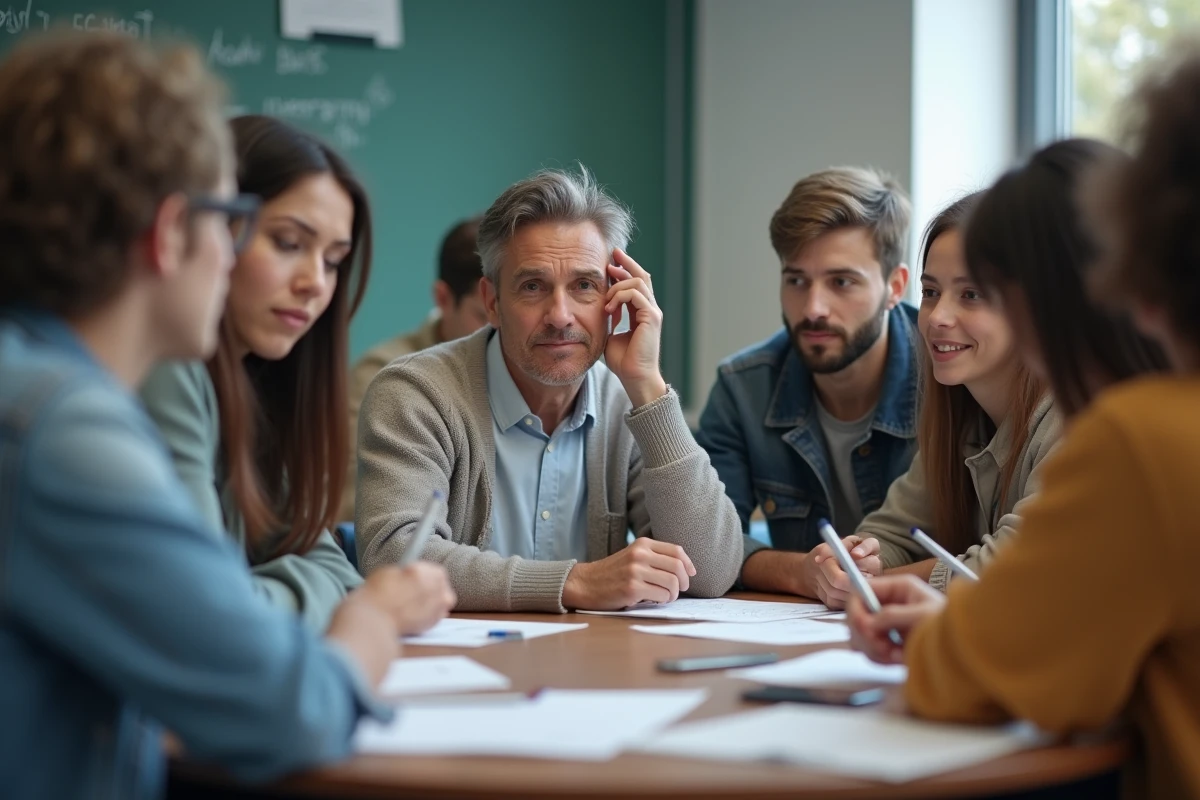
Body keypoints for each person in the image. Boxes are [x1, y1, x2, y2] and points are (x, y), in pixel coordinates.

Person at [0, 31, 453, 800]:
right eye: (233, 220)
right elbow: (291, 709)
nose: (231, 252)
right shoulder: (61, 431)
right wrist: (370, 618)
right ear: (169, 230)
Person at [847, 128, 1186, 798]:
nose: (943, 317)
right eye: (938, 293)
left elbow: (998, 677)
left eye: (985, 290)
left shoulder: (1137, 435)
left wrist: (947, 635)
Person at [356, 166, 744, 611]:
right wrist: (574, 582)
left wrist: (649, 388)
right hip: (459, 670)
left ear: (615, 299)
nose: (560, 315)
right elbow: (394, 557)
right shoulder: (413, 394)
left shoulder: (628, 403)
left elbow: (712, 572)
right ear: (492, 303)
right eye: (533, 286)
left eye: (584, 286)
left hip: (595, 666)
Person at [140, 115, 416, 632]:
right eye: (289, 243)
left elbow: (332, 566)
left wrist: (304, 590)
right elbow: (208, 615)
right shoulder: (168, 371)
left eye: (334, 261)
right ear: (212, 232)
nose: (315, 283)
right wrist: (336, 599)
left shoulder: (262, 382)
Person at [694, 167, 919, 604]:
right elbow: (709, 545)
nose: (813, 308)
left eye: (841, 282)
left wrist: (878, 577)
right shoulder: (744, 389)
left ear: (895, 287)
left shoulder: (949, 378)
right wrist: (801, 573)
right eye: (796, 280)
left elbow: (990, 547)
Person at [823, 193, 1062, 604]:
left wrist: (875, 587)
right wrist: (858, 561)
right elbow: (892, 534)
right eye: (931, 292)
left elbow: (1017, 566)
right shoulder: (960, 418)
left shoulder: (1075, 415)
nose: (936, 318)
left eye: (970, 295)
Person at [340, 217, 488, 521]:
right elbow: (351, 504)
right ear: (444, 299)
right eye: (484, 315)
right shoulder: (380, 373)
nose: (501, 332)